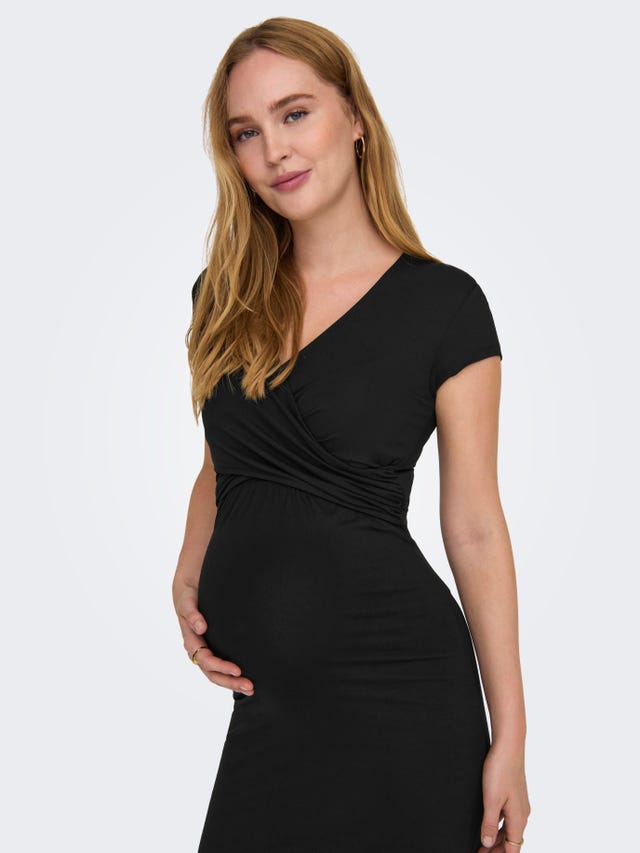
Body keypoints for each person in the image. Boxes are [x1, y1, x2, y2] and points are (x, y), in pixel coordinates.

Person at [172, 15, 530, 853]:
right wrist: (188, 574)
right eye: (246, 132)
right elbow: (224, 462)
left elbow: (475, 525)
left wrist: (510, 734)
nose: (275, 151)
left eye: (295, 114)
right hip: (271, 711)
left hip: (401, 697)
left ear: (356, 118)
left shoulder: (445, 306)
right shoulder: (221, 296)